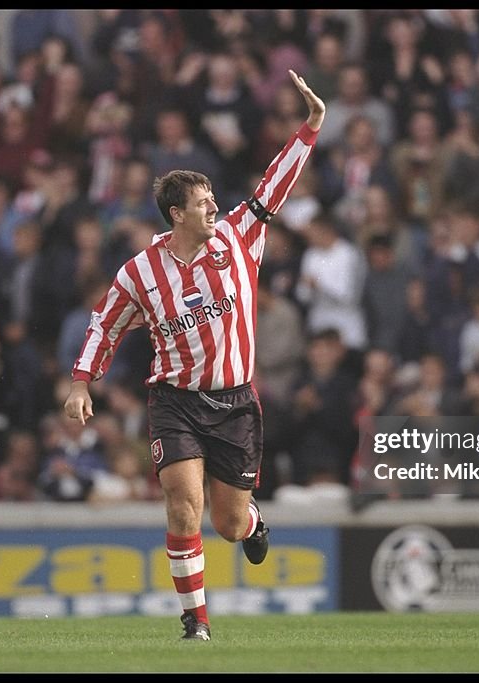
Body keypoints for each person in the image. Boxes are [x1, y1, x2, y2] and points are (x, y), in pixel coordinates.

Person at [65, 70, 325, 642]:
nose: (214, 209)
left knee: (229, 523)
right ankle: (195, 623)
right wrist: (83, 381)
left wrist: (308, 129)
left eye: (213, 201)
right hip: (175, 400)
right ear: (176, 213)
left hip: (234, 402)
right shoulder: (140, 272)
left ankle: (254, 521)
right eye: (203, 203)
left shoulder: (237, 238)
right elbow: (104, 324)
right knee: (183, 505)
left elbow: (271, 189)